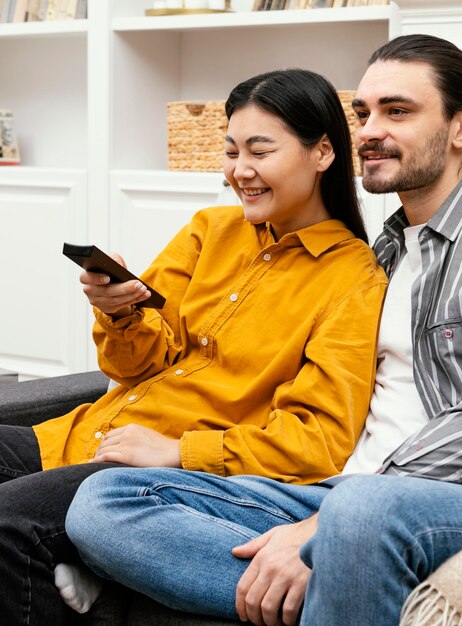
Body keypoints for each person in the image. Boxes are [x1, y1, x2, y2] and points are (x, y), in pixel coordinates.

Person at [66, 33, 462, 626]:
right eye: (363, 113)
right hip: (340, 489)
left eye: (398, 111)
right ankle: (341, 589)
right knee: (105, 501)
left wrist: (320, 530)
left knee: (362, 514)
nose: (368, 131)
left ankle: (335, 565)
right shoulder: (387, 249)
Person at [0, 68, 387, 625]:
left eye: (260, 150)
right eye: (231, 151)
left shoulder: (354, 281)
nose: (240, 171)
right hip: (81, 435)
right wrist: (121, 313)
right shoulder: (210, 229)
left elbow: (319, 441)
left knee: (10, 524)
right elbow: (133, 367)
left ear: (322, 152)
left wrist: (179, 453)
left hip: (148, 475)